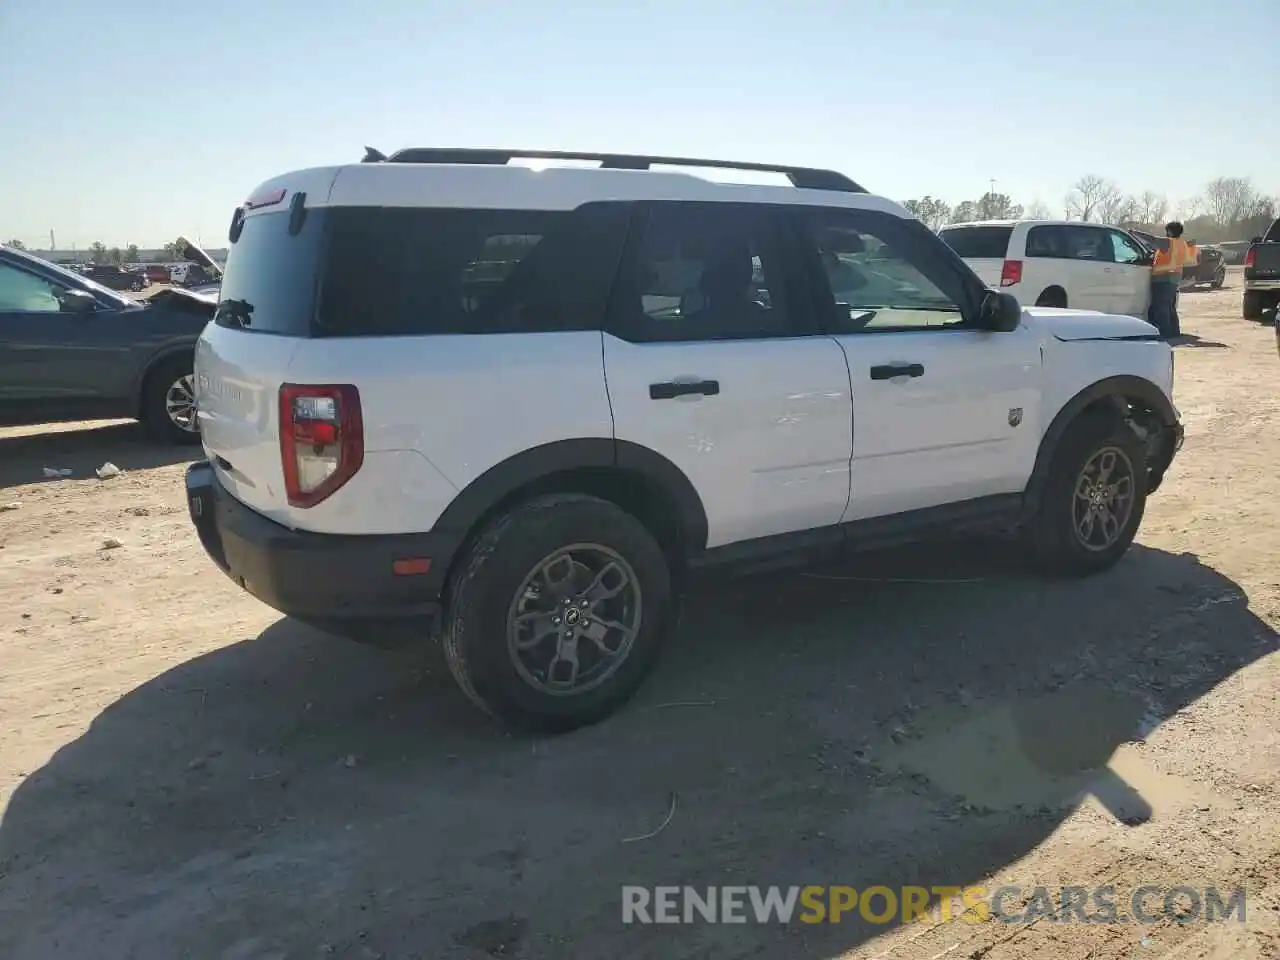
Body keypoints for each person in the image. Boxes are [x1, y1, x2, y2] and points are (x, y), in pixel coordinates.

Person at [1149, 221, 1190, 338]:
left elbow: (1151, 239)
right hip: (1174, 277)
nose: (1166, 233)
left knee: (1161, 306)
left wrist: (1134, 232)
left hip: (1163, 277)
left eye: (1167, 230)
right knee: (1170, 306)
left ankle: (1164, 332)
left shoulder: (1168, 242)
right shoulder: (1181, 243)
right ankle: (1174, 331)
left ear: (1170, 231)